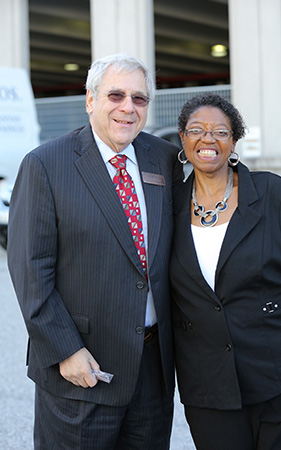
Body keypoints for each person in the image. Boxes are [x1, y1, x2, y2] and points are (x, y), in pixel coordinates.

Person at [7, 53, 183, 450]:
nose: (128, 108)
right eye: (115, 95)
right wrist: (65, 350)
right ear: (90, 100)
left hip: (151, 371)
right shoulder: (45, 164)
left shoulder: (163, 158)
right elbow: (29, 270)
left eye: (139, 99)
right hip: (82, 370)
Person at [170, 93, 281, 450]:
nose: (208, 139)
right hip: (208, 384)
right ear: (183, 138)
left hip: (280, 373)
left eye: (221, 132)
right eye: (197, 130)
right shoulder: (169, 205)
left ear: (234, 141)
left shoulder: (272, 193)